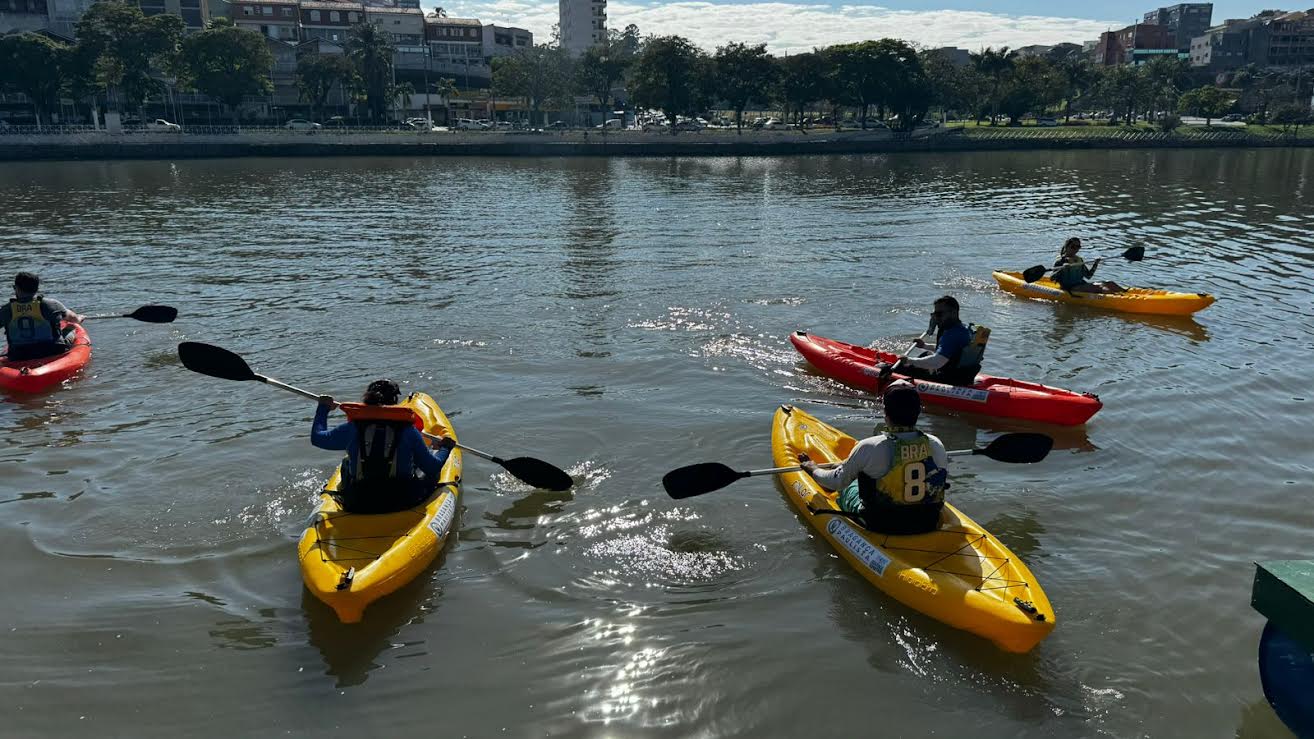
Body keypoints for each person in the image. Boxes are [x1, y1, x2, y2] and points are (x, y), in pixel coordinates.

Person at [798, 381, 948, 535]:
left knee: (848, 487)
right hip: (928, 521)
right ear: (918, 412)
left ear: (886, 414)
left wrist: (813, 469)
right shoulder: (936, 444)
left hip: (881, 524)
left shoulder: (870, 447)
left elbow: (836, 482)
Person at [312, 379, 456, 514]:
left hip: (358, 501)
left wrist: (323, 409)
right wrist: (445, 448)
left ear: (367, 400)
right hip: (402, 500)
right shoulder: (409, 431)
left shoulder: (352, 428)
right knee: (426, 467)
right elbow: (432, 468)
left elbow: (318, 438)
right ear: (395, 401)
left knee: (346, 463)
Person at [880, 295, 987, 387]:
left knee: (888, 368)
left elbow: (937, 362)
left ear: (953, 313)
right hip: (961, 375)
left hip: (947, 379)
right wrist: (925, 346)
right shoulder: (962, 329)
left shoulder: (952, 334)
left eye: (939, 314)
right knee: (925, 354)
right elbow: (950, 351)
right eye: (934, 314)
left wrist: (909, 360)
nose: (936, 317)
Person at [1, 271, 84, 361]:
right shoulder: (51, 305)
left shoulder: (6, 310)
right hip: (51, 351)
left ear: (15, 288)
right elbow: (74, 319)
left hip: (18, 355)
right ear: (37, 289)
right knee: (72, 327)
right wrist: (80, 318)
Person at [1052, 237, 1125, 294]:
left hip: (1081, 285)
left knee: (1110, 283)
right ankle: (1118, 298)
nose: (1076, 249)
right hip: (1070, 288)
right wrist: (1062, 269)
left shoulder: (1079, 260)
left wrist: (1095, 264)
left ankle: (1126, 294)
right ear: (1066, 247)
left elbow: (1088, 276)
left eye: (1078, 247)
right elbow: (1052, 278)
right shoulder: (1060, 261)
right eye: (1073, 247)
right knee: (1100, 287)